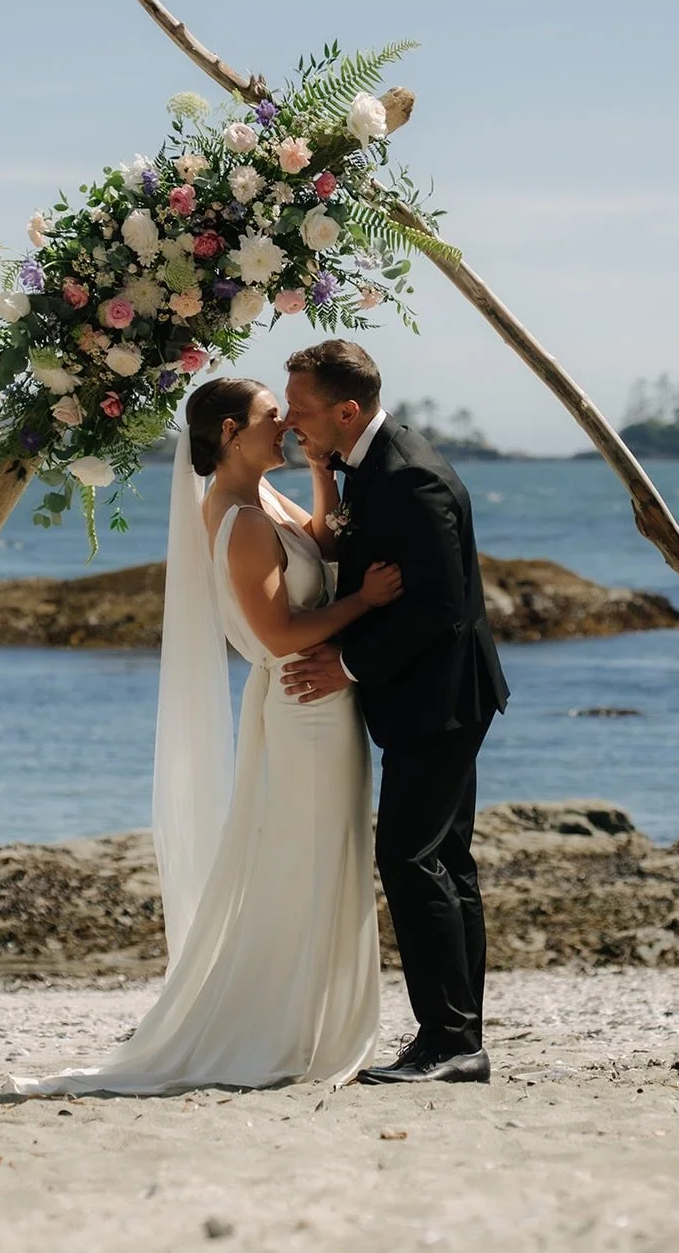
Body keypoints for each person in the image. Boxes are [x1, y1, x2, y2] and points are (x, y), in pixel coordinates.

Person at [7, 378, 400, 1095]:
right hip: (304, 706)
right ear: (228, 432)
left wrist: (317, 471)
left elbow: (319, 540)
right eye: (268, 417)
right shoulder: (241, 520)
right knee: (308, 865)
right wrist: (362, 604)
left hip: (314, 706)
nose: (283, 422)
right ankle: (280, 1029)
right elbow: (277, 632)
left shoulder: (258, 501)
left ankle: (304, 1019)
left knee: (320, 860)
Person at [281, 340, 509, 1085]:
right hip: (436, 694)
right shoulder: (377, 464)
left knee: (409, 859)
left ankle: (449, 1042)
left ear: (347, 410)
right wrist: (325, 483)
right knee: (442, 860)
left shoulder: (410, 477)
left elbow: (440, 607)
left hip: (437, 698)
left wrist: (347, 664)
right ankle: (455, 1039)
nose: (289, 422)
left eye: (302, 410)